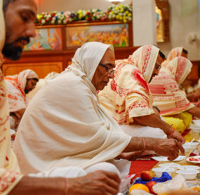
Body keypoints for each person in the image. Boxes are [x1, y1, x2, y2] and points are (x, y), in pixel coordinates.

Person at [0, 0, 122, 194]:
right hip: (32, 166)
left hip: (18, 173)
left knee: (102, 174)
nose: (32, 32)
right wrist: (68, 185)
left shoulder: (84, 85)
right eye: (24, 17)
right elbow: (96, 137)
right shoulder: (72, 83)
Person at [13, 42, 184, 178]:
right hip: (39, 163)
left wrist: (118, 151)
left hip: (58, 154)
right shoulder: (73, 84)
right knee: (106, 172)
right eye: (107, 67)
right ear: (91, 63)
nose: (111, 74)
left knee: (110, 167)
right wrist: (154, 143)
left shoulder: (82, 83)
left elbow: (83, 133)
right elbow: (99, 135)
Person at [98, 45, 185, 143]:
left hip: (109, 122)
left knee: (159, 122)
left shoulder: (123, 64)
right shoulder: (132, 72)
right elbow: (139, 115)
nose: (157, 73)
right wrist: (170, 131)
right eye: (156, 67)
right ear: (147, 62)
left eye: (159, 68)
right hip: (109, 126)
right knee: (159, 135)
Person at [149, 56, 200, 134]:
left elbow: (184, 103)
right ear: (181, 71)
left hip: (158, 112)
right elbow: (190, 108)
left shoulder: (166, 72)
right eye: (187, 74)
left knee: (187, 117)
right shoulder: (168, 78)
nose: (188, 78)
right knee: (179, 125)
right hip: (152, 116)